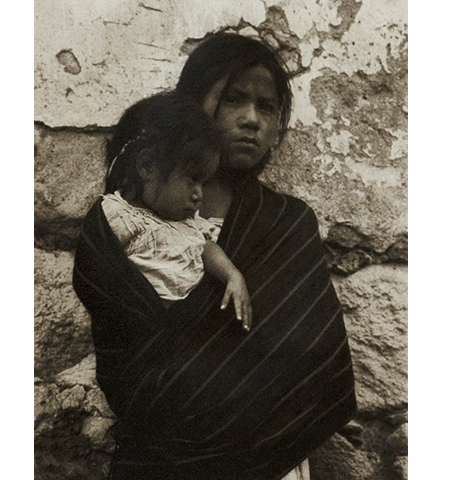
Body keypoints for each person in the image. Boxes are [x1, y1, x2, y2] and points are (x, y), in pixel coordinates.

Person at [73, 32, 357, 480]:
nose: (251, 120)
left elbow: (308, 359)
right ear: (191, 105)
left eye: (267, 108)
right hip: (158, 459)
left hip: (267, 462)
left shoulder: (286, 226)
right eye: (233, 100)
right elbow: (124, 348)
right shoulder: (123, 219)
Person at [101, 92, 251, 327]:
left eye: (204, 183)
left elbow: (205, 247)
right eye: (192, 179)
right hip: (142, 330)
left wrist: (233, 275)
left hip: (188, 330)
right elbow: (101, 267)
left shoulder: (186, 221)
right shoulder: (118, 215)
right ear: (147, 166)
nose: (199, 195)